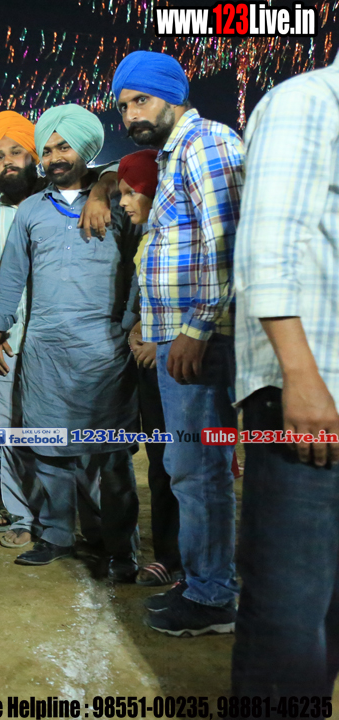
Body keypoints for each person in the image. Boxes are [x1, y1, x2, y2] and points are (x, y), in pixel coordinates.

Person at [0, 104, 141, 580]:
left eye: (63, 147)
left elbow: (138, 267)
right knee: (49, 451)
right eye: (46, 150)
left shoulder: (118, 202)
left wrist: (128, 327)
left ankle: (120, 549)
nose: (54, 157)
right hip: (45, 351)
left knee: (110, 458)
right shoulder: (30, 211)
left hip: (105, 353)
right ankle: (57, 536)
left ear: (84, 148)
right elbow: (10, 281)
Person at [113, 50, 243, 636]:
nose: (131, 115)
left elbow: (226, 241)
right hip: (177, 338)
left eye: (141, 100)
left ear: (172, 94)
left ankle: (213, 597)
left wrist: (197, 327)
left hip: (198, 340)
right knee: (188, 467)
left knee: (200, 470)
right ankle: (203, 582)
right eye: (123, 106)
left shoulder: (206, 142)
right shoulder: (174, 154)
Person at [231, 60, 339, 694]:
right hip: (309, 397)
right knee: (290, 611)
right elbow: (267, 248)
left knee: (329, 607)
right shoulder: (308, 102)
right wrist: (301, 376)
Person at [0, 111, 46, 551]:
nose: (7, 162)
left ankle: (57, 516)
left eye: (16, 152)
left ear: (33, 156)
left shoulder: (59, 204)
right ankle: (21, 515)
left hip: (54, 342)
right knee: (7, 430)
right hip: (5, 343)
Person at [117, 149, 183, 587]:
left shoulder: (182, 235)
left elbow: (201, 299)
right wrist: (138, 328)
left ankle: (196, 565)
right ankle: (168, 555)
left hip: (182, 364)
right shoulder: (149, 237)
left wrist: (161, 343)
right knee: (161, 463)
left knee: (188, 465)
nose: (123, 202)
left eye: (130, 192)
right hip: (150, 365)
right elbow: (146, 298)